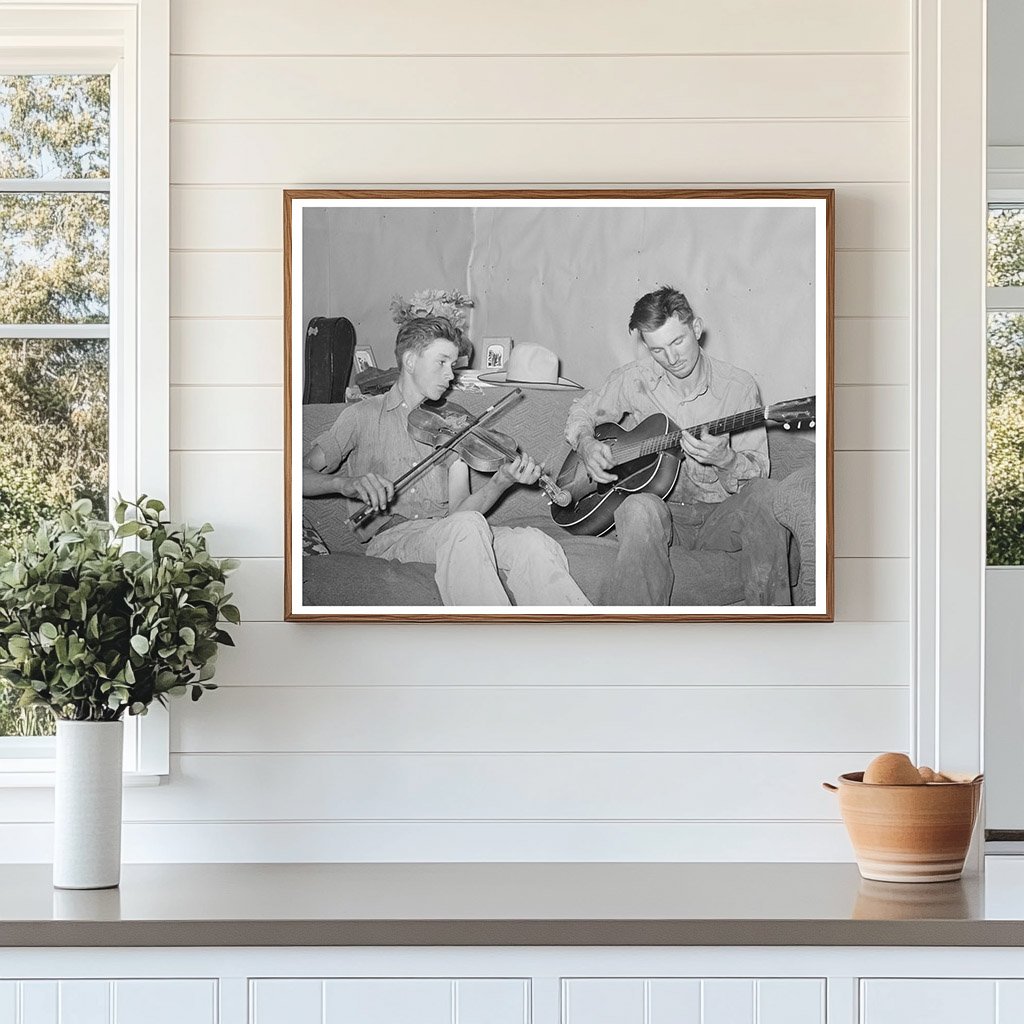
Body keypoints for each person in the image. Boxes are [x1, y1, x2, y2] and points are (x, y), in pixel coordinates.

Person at [303, 315, 589, 607]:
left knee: (533, 542)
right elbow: (296, 475)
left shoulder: (452, 423)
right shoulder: (362, 416)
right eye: (441, 362)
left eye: (452, 365)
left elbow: (460, 512)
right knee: (465, 528)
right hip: (393, 539)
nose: (450, 375)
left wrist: (502, 481)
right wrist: (344, 483)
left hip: (449, 532)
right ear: (411, 361)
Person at [563, 285, 791, 606]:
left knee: (766, 494)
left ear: (695, 329)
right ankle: (633, 639)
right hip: (663, 514)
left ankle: (775, 630)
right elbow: (582, 410)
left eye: (677, 342)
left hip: (718, 517)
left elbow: (759, 470)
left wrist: (726, 460)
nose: (670, 358)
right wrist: (586, 443)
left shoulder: (737, 387)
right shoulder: (635, 378)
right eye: (657, 350)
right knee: (637, 506)